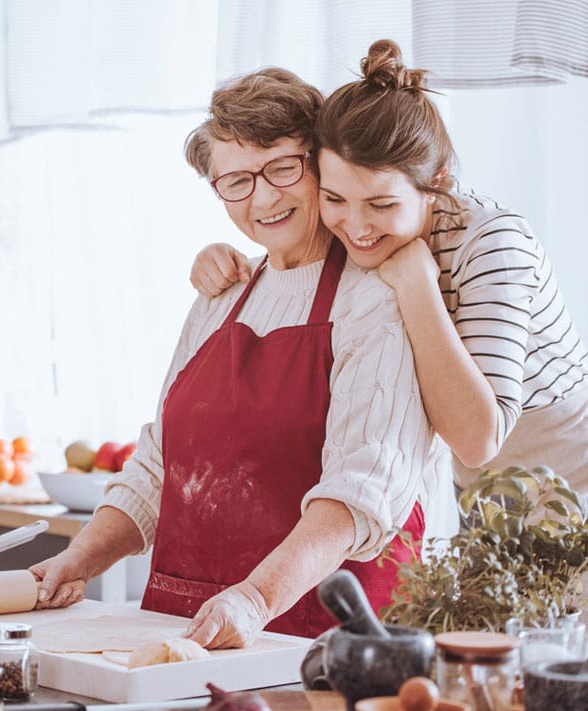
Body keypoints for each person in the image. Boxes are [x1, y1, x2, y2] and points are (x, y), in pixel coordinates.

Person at [30, 68, 443, 648]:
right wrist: (77, 561)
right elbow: (158, 467)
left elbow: (361, 494)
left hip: (317, 640)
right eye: (237, 181)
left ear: (320, 164)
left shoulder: (376, 300)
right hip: (187, 630)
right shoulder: (220, 295)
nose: (264, 198)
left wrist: (255, 598)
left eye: (283, 167)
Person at [190, 40, 588, 494]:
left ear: (435, 183)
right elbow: (292, 246)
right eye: (335, 199)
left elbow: (478, 440)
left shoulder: (493, 242)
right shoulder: (360, 237)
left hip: (566, 472)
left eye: (381, 203)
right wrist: (217, 257)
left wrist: (417, 283)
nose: (356, 226)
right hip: (479, 496)